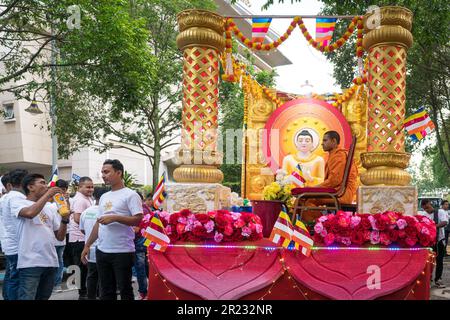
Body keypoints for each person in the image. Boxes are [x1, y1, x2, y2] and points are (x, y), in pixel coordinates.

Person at [81, 159, 143, 300]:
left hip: (122, 251)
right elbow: (99, 223)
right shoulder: (104, 196)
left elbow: (138, 219)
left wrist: (115, 218)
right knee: (106, 290)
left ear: (119, 172)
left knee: (125, 289)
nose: (103, 175)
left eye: (107, 172)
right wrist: (88, 244)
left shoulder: (130, 195)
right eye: (102, 172)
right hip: (102, 251)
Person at [11, 173, 70, 300]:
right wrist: (48, 195)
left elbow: (59, 237)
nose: (47, 186)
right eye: (42, 183)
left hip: (50, 261)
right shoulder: (18, 202)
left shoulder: (49, 207)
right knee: (27, 297)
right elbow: (30, 213)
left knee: (43, 297)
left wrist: (65, 220)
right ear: (30, 187)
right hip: (30, 263)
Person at [302, 131, 358, 223]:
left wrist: (314, 188)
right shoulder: (335, 155)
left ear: (334, 141)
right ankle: (321, 223)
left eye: (325, 140)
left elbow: (334, 181)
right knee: (305, 198)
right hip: (338, 190)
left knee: (307, 200)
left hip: (342, 194)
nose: (322, 143)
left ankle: (320, 225)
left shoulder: (338, 155)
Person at [0, 169, 28, 300]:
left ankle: (8, 297)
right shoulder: (16, 197)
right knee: (16, 279)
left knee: (12, 276)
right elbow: (29, 214)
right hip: (16, 244)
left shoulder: (7, 197)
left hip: (9, 242)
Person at [79, 186, 109, 300]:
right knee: (104, 277)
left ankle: (90, 297)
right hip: (104, 249)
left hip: (90, 248)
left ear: (94, 196)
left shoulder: (86, 212)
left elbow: (82, 229)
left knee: (91, 276)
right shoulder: (106, 212)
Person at [69, 176, 94, 299]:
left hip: (85, 237)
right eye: (87, 187)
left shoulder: (87, 198)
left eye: (92, 187)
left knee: (86, 267)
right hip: (79, 238)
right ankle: (82, 293)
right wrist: (90, 228)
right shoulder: (80, 199)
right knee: (81, 268)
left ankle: (86, 292)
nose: (90, 189)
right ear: (79, 187)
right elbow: (77, 218)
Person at [420, 199, 448, 288]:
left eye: (427, 207)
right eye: (425, 209)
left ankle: (438, 279)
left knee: (439, 260)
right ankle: (428, 278)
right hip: (429, 241)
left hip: (439, 240)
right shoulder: (424, 215)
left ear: (430, 204)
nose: (427, 210)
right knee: (428, 261)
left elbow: (444, 222)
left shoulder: (440, 212)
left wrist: (432, 226)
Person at [49, 179, 71, 293]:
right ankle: (51, 285)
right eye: (61, 189)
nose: (63, 192)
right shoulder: (51, 205)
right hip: (52, 239)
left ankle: (56, 284)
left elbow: (68, 218)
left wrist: (67, 202)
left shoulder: (66, 202)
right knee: (53, 262)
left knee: (59, 261)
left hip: (61, 239)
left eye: (65, 189)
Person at [134, 191, 150, 300]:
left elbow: (136, 230)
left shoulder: (138, 211)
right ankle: (151, 290)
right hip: (147, 241)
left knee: (140, 269)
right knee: (147, 267)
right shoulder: (146, 208)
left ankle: (143, 293)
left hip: (139, 241)